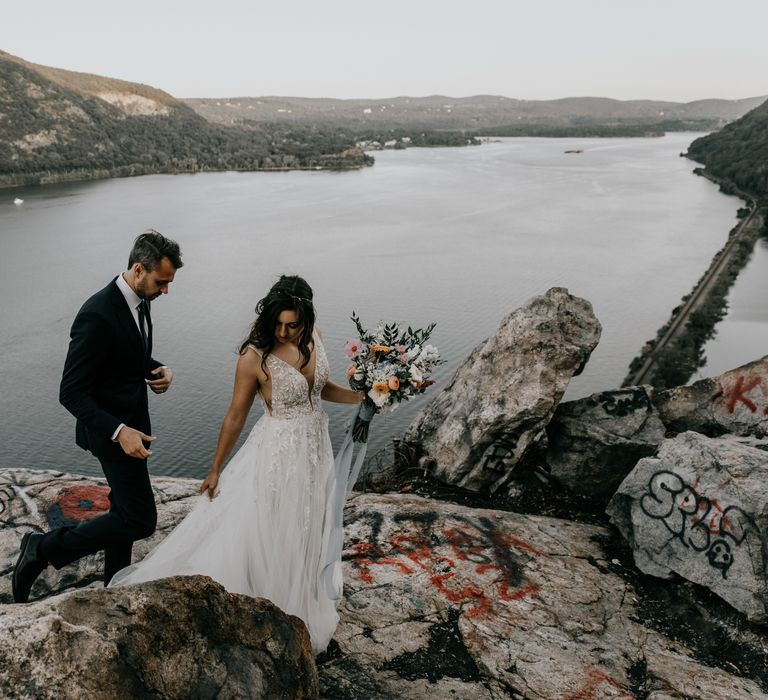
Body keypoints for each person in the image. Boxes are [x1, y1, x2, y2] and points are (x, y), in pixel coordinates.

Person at [109, 275, 363, 654]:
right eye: (277, 323)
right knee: (279, 527)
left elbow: (319, 388)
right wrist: (214, 469)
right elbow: (234, 416)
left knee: (311, 521)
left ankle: (306, 600)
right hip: (279, 453)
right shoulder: (254, 356)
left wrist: (363, 398)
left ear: (307, 319)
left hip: (315, 446)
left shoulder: (315, 336)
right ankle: (284, 612)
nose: (283, 331)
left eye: (292, 325)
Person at [11, 230, 183, 603]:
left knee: (123, 513)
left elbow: (127, 357)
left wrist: (159, 368)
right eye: (162, 282)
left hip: (132, 429)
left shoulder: (139, 299)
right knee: (140, 519)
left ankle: (114, 587)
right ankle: (41, 549)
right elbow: (70, 392)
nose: (165, 291)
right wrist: (120, 431)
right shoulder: (96, 314)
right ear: (139, 269)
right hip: (110, 431)